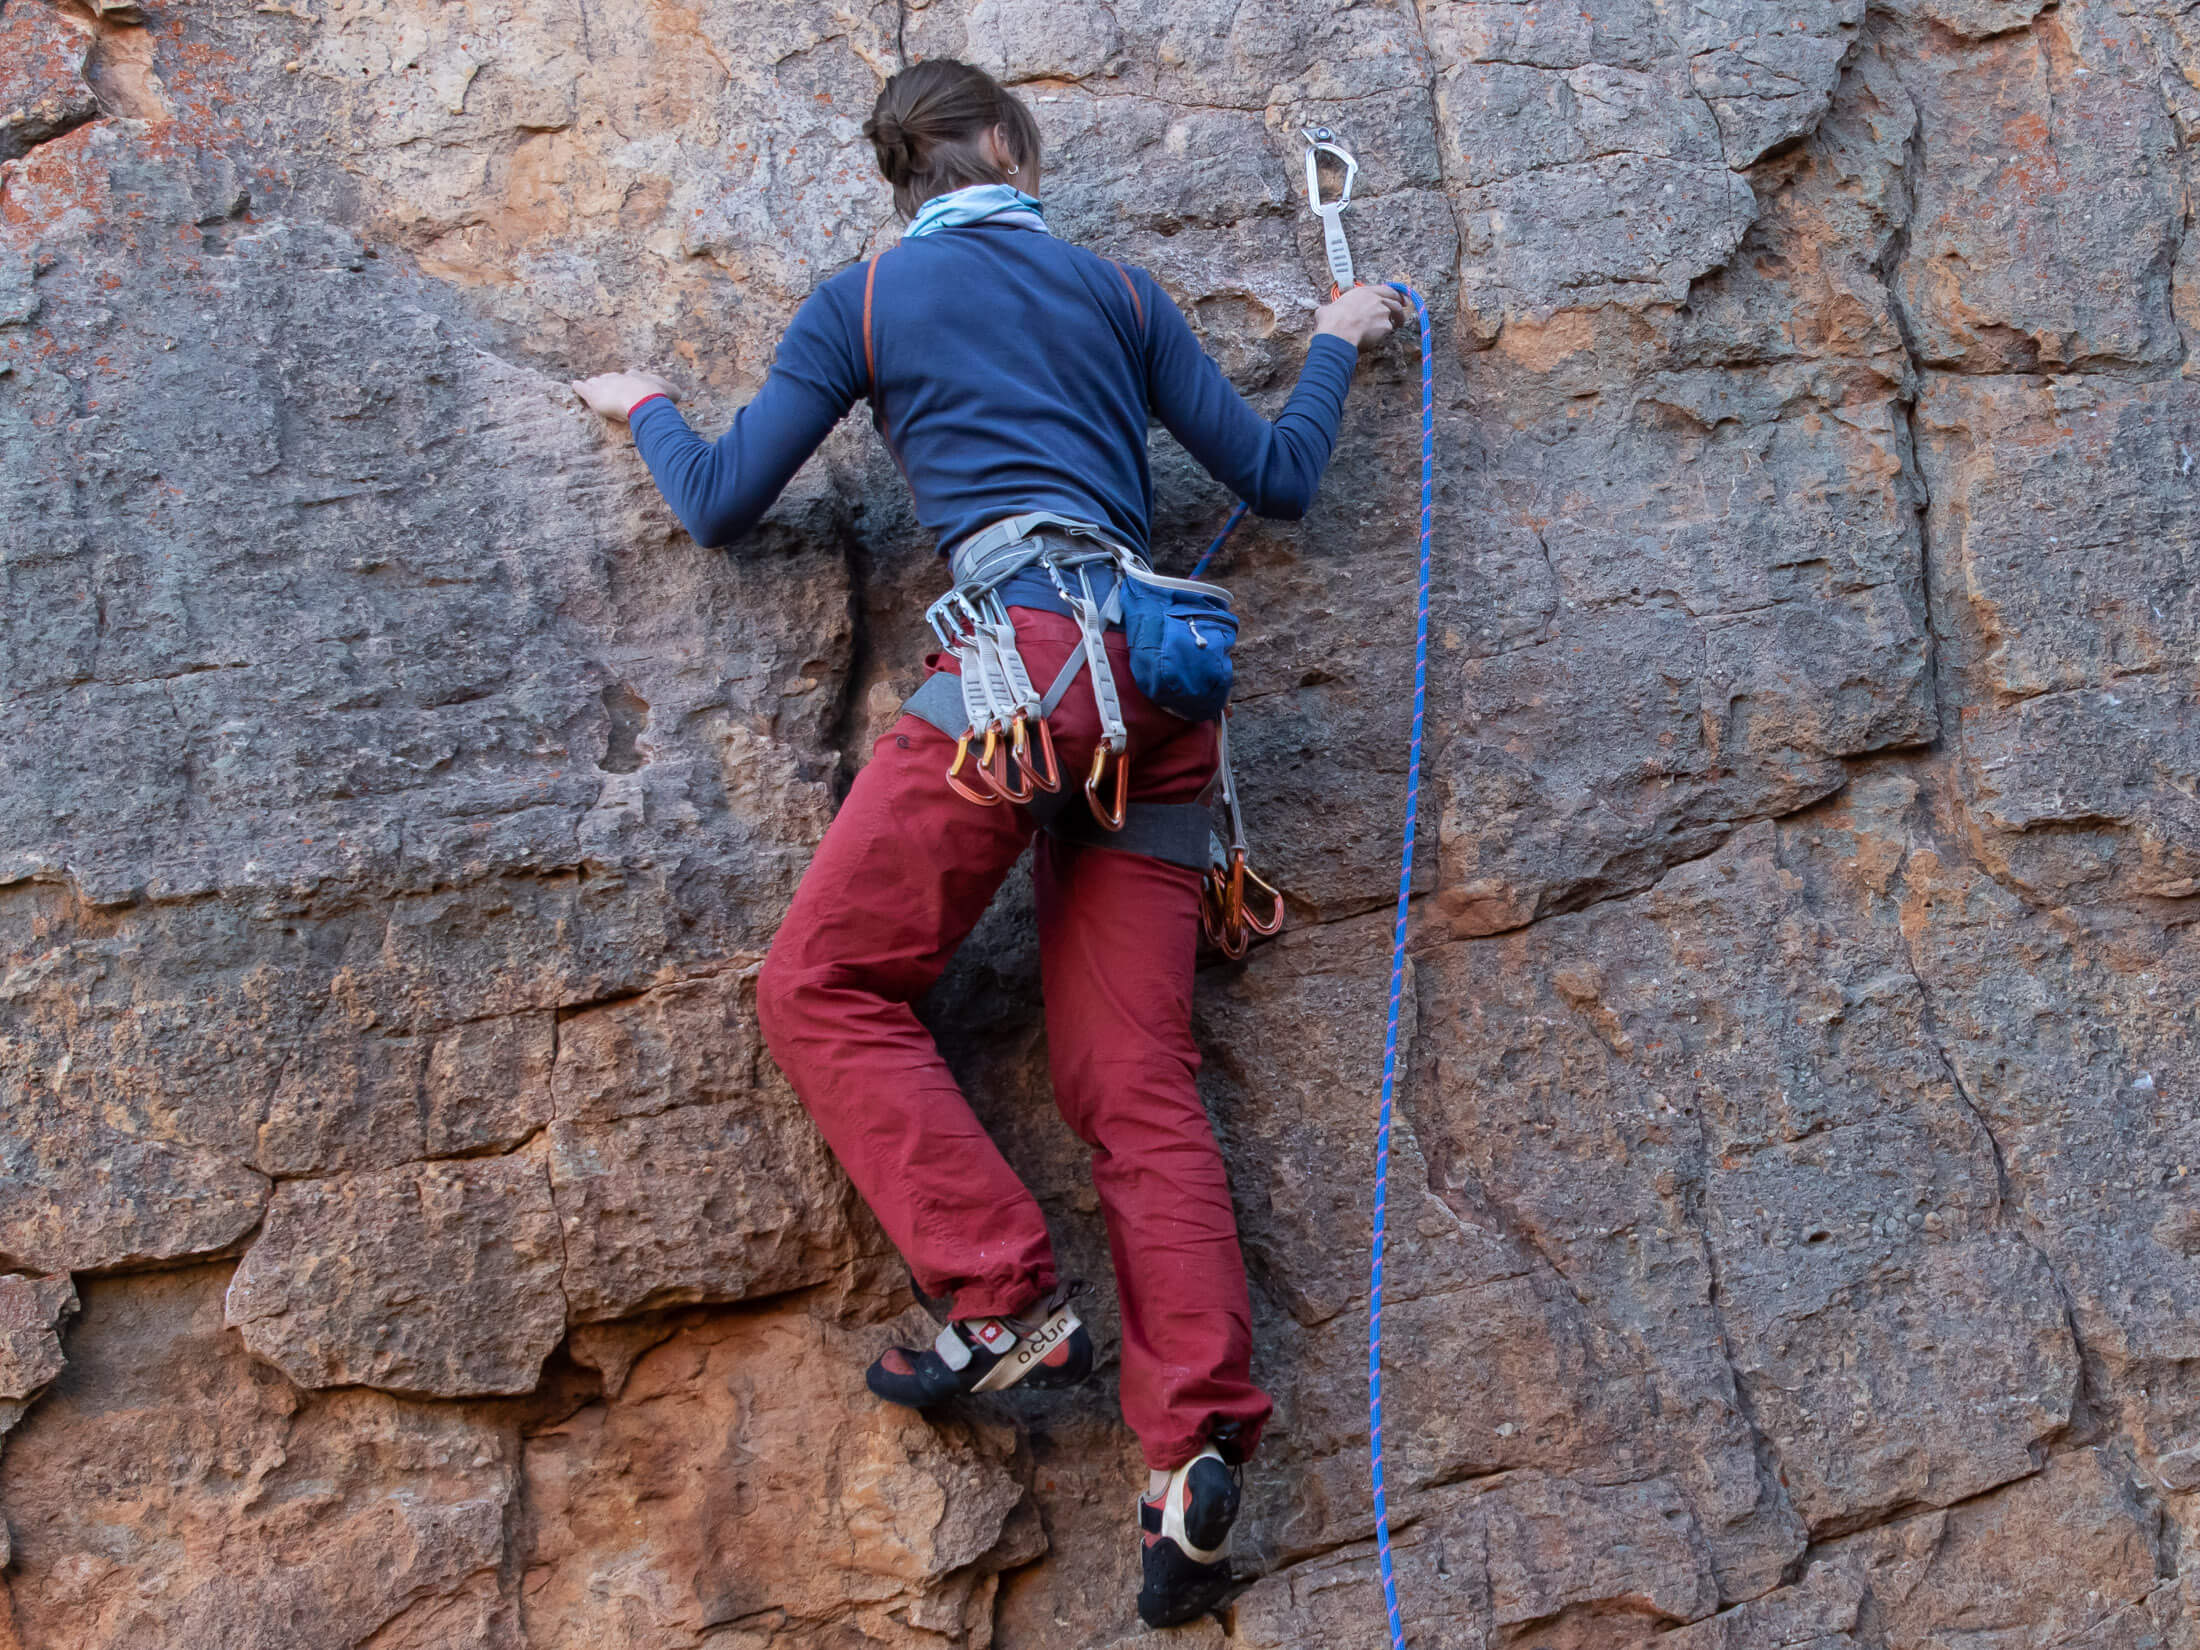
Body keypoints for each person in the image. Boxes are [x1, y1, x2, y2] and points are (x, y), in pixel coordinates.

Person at [572, 57, 1402, 1629]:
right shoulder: (1116, 290)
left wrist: (649, 407)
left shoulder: (866, 302)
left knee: (822, 982)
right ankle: (1193, 1451)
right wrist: (1338, 342)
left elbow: (721, 503)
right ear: (1014, 150)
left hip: (1018, 681)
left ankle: (1002, 1294)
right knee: (1134, 1085)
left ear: (904, 178)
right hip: (1161, 686)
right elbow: (1283, 480)